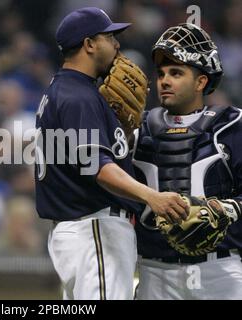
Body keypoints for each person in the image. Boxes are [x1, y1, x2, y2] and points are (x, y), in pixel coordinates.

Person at [34, 7, 189, 300]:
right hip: (94, 227)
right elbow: (98, 167)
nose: (117, 45)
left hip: (81, 229)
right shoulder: (78, 97)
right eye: (109, 37)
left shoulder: (64, 90)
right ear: (89, 44)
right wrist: (151, 197)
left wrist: (121, 132)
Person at [132, 23, 242, 299]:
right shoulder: (137, 131)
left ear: (201, 81)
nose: (164, 81)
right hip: (153, 269)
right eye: (161, 73)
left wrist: (229, 208)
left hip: (220, 269)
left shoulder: (232, 126)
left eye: (176, 73)